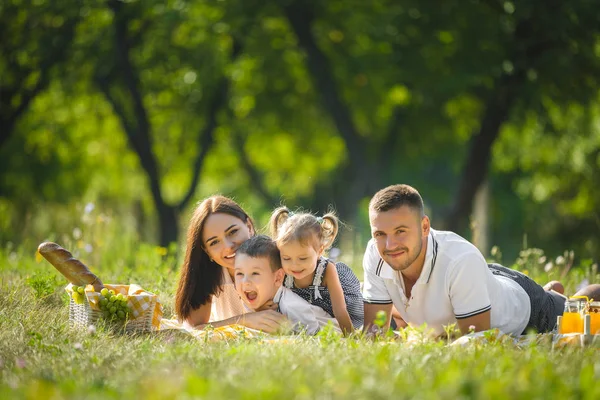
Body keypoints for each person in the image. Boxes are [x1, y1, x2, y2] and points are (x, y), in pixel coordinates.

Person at [362, 184, 600, 337]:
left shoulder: (459, 261)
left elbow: (475, 344)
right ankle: (552, 290)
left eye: (401, 231)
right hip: (479, 279)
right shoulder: (376, 252)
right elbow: (375, 332)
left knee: (575, 316)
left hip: (525, 308)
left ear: (425, 227)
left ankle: (558, 296)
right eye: (380, 234)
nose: (389, 245)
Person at [174, 195, 287, 333]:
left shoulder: (281, 260)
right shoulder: (211, 275)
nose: (228, 246)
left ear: (249, 226)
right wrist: (245, 320)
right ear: (207, 251)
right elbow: (194, 330)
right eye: (214, 242)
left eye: (233, 232)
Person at [270, 207, 364, 334]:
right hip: (308, 316)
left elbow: (340, 309)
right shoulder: (282, 269)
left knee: (370, 308)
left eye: (303, 258)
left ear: (320, 251)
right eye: (286, 258)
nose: (294, 265)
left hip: (336, 313)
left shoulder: (326, 270)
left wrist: (351, 336)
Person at [234, 235, 341, 335]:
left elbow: (314, 338)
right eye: (239, 273)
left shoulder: (292, 306)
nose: (245, 281)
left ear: (278, 278)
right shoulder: (251, 298)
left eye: (255, 273)